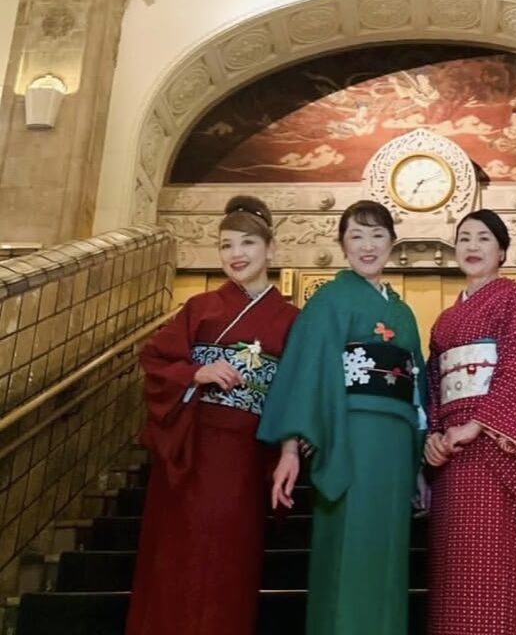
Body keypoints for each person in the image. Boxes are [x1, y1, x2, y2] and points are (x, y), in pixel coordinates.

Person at [126, 195, 299, 635]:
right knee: (175, 562)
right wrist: (195, 372)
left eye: (247, 243)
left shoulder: (292, 319)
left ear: (271, 249)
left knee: (230, 563)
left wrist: (288, 450)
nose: (236, 254)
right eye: (226, 245)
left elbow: (297, 389)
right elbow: (154, 357)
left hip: (244, 454)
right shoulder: (199, 308)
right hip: (192, 448)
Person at [257, 200, 427, 635]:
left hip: (396, 445)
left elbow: (417, 387)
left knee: (388, 556)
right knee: (347, 554)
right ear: (342, 245)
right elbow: (305, 369)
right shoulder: (329, 300)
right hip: (349, 434)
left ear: (392, 242)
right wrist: (290, 448)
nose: (368, 246)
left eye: (377, 235)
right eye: (357, 236)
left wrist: (419, 465)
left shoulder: (403, 312)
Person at [424, 209, 516, 635]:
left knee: (493, 563)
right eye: (464, 238)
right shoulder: (444, 320)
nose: (472, 246)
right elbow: (434, 383)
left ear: (503, 252)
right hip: (451, 456)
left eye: (483, 238)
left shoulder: (513, 298)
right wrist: (434, 435)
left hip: (493, 448)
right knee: (452, 572)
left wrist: (476, 425)